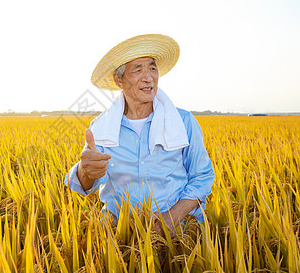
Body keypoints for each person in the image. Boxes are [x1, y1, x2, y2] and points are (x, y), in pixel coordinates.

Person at [64, 34, 215, 236]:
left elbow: (202, 176)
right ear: (119, 80)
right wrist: (85, 170)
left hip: (174, 238)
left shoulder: (183, 122)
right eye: (137, 69)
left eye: (152, 68)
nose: (148, 77)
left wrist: (173, 217)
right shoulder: (101, 127)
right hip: (118, 236)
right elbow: (87, 182)